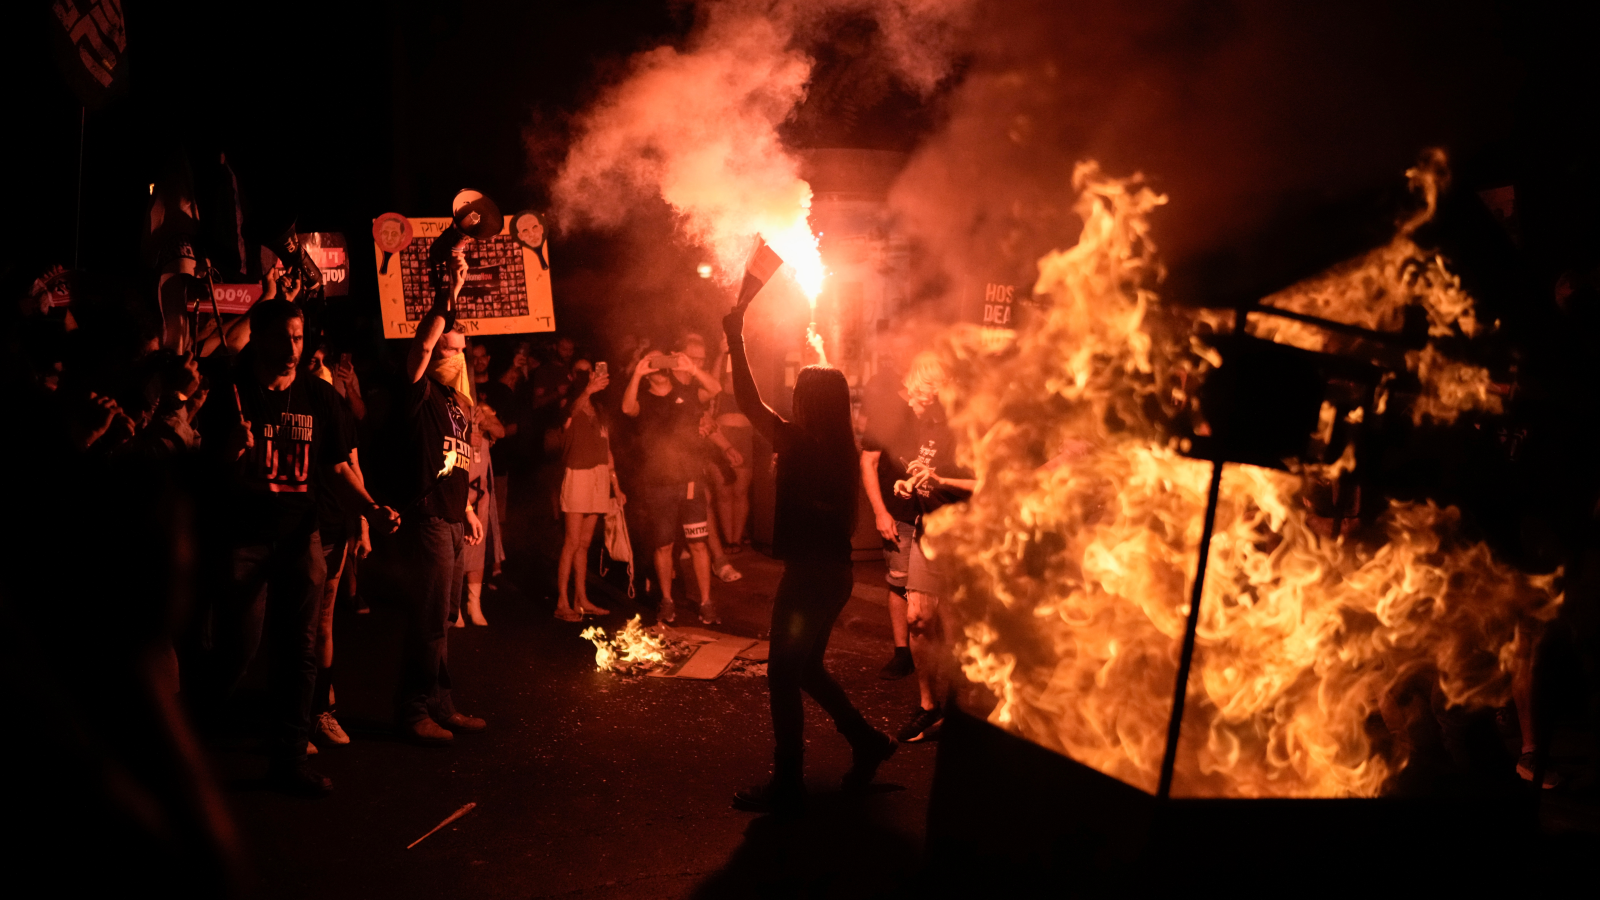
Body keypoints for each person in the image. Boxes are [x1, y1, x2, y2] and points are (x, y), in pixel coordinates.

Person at [197, 298, 398, 795]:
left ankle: (288, 759)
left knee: (300, 650)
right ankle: (188, 739)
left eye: (299, 336)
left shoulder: (319, 397)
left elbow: (338, 467)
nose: (293, 347)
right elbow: (200, 472)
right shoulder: (231, 392)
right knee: (239, 649)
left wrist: (370, 509)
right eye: (284, 337)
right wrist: (227, 451)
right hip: (244, 537)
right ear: (260, 338)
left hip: (300, 536)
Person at [722, 295, 897, 814]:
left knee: (782, 673)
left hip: (808, 579)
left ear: (806, 403)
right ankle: (867, 741)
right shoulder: (840, 446)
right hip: (834, 574)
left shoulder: (797, 443)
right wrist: (818, 355)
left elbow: (747, 401)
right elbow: (818, 395)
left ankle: (788, 781)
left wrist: (735, 336)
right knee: (807, 669)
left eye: (800, 393)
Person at [390, 246, 488, 746]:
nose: (457, 355)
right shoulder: (420, 391)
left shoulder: (457, 404)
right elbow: (425, 343)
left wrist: (467, 508)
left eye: (461, 349)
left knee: (445, 618)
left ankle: (440, 705)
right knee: (428, 621)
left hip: (450, 519)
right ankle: (413, 711)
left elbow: (452, 461)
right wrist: (449, 291)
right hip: (427, 519)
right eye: (450, 348)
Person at [893, 354, 977, 745]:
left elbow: (989, 484)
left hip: (962, 540)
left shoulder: (968, 429)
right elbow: (927, 475)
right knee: (918, 620)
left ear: (936, 391)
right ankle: (928, 707)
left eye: (916, 394)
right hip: (926, 534)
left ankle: (962, 709)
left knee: (958, 630)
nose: (909, 401)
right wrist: (911, 483)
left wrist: (940, 479)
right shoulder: (928, 427)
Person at [621, 344, 724, 624]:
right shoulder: (643, 397)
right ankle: (667, 600)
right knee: (663, 546)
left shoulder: (686, 392)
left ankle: (706, 602)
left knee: (698, 544)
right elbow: (627, 408)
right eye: (652, 362)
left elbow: (715, 388)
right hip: (659, 484)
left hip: (690, 481)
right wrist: (637, 373)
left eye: (661, 360)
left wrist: (693, 368)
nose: (658, 365)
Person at [859, 351, 919, 681]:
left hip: (936, 513)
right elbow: (868, 461)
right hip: (899, 513)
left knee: (934, 587)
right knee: (899, 583)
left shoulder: (941, 411)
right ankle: (902, 652)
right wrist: (881, 512)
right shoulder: (889, 409)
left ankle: (931, 652)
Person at [554, 364, 623, 621]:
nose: (588, 375)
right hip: (578, 473)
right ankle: (562, 602)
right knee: (572, 542)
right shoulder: (568, 403)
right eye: (582, 372)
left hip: (599, 475)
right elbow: (569, 414)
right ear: (573, 376)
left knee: (584, 543)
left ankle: (581, 599)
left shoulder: (600, 409)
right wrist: (588, 390)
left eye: (591, 371)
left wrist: (616, 486)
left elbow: (607, 449)